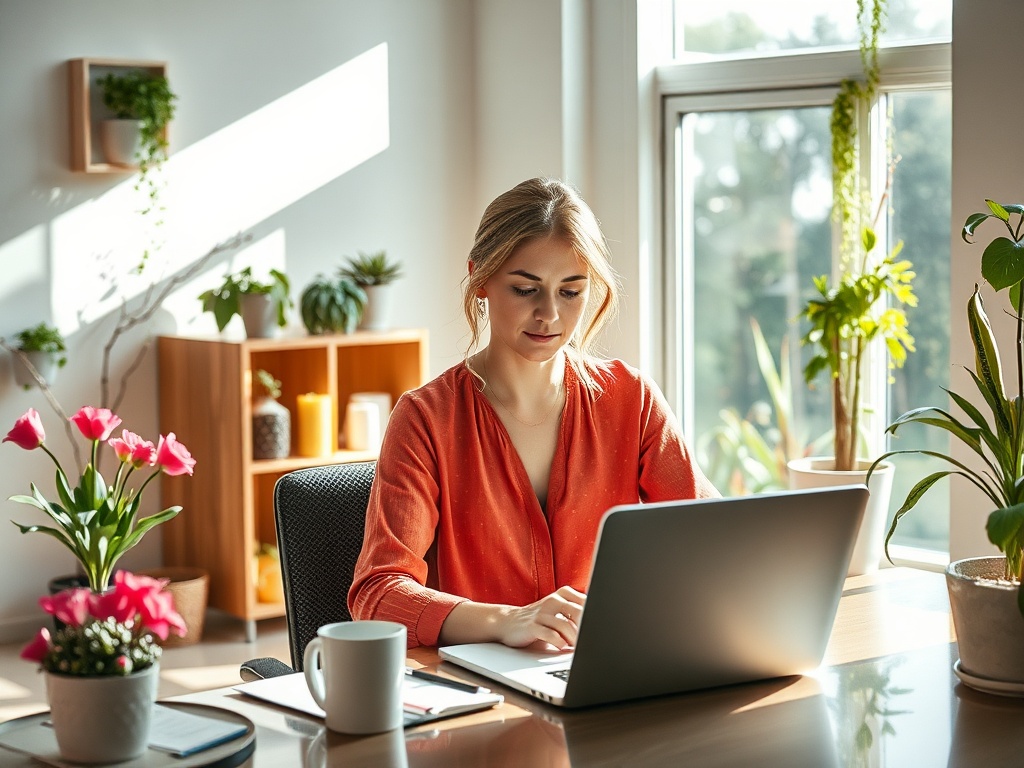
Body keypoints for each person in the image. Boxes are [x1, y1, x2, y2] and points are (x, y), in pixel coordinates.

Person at [348, 177, 718, 649]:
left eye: (571, 291)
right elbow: (377, 596)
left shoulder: (632, 399)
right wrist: (507, 621)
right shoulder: (426, 419)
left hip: (605, 668)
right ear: (480, 278)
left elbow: (711, 538)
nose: (550, 315)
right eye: (526, 289)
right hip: (480, 687)